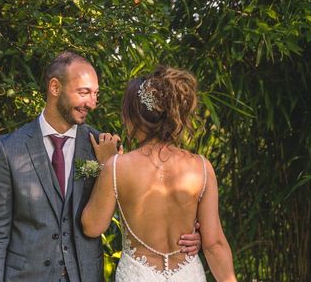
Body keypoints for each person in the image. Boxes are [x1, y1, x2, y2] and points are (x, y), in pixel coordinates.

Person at [0, 52, 201, 282]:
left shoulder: (101, 147)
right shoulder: (10, 150)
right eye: (84, 92)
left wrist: (192, 235)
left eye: (95, 94)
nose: (92, 103)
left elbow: (137, 214)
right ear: (55, 88)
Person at [81, 66, 237, 282]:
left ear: (135, 116)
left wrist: (104, 166)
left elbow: (92, 226)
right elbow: (215, 244)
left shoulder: (117, 167)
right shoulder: (201, 167)